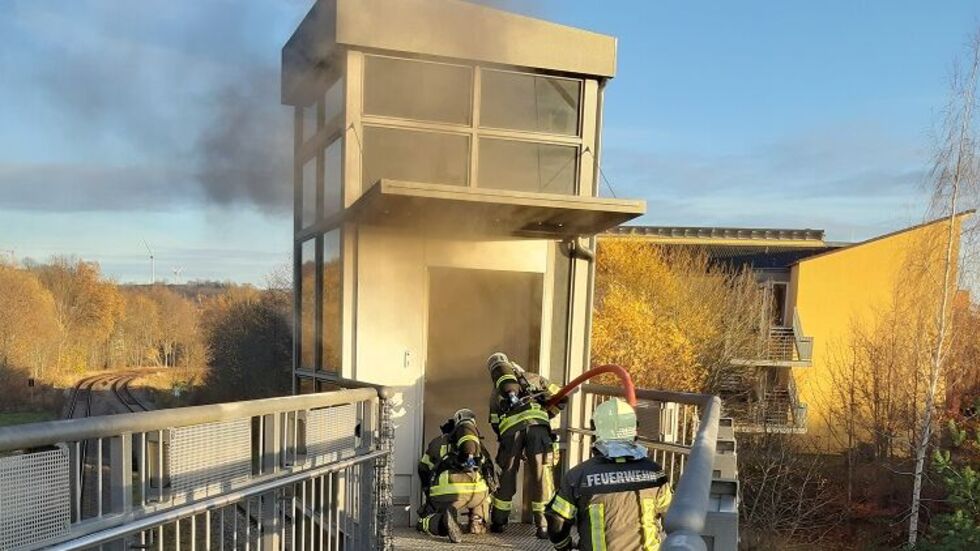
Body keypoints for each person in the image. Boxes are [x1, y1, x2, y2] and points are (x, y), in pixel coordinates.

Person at [546, 398, 673, 551]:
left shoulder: (578, 476)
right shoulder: (655, 474)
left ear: (596, 431)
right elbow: (673, 520)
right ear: (634, 430)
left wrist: (563, 546)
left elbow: (557, 521)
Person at [486, 352, 566, 538]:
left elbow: (495, 423)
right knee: (541, 476)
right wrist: (546, 412)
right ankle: (543, 526)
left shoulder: (496, 392)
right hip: (538, 430)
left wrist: (508, 441)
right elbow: (561, 397)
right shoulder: (534, 377)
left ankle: (499, 521)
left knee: (506, 474)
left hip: (511, 434)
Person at [417, 408, 497, 543]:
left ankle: (442, 521)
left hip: (446, 494)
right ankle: (477, 522)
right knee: (483, 494)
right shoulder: (477, 444)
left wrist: (428, 490)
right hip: (476, 494)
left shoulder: (438, 442)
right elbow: (489, 470)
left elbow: (423, 467)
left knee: (424, 521)